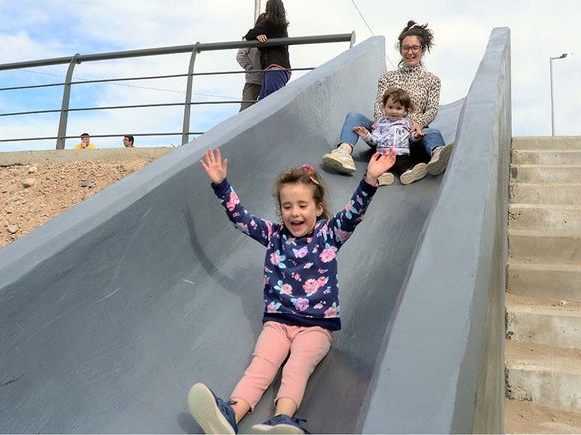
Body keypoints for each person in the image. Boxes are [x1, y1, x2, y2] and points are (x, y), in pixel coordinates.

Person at [188, 147, 396, 434]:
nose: (294, 213)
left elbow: (353, 213)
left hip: (316, 327)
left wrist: (370, 179)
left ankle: (282, 419)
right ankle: (230, 415)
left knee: (296, 367)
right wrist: (222, 186)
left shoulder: (329, 235)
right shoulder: (274, 236)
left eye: (302, 205)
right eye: (287, 206)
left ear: (318, 208)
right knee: (261, 364)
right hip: (278, 322)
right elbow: (241, 218)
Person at [322, 20, 452, 179]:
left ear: (423, 50)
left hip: (409, 138)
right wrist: (380, 122)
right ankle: (343, 152)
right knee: (354, 117)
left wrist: (417, 123)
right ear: (401, 50)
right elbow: (379, 102)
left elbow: (432, 109)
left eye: (415, 47)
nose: (410, 52)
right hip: (383, 136)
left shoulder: (432, 81)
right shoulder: (387, 78)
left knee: (432, 132)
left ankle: (437, 154)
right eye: (406, 48)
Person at [354, 87, 425, 185]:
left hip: (401, 155)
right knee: (376, 167)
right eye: (390, 107)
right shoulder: (380, 123)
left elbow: (409, 139)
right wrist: (365, 135)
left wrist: (416, 136)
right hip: (383, 155)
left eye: (398, 108)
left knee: (404, 167)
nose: (394, 111)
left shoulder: (407, 123)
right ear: (384, 107)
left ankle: (408, 174)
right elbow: (374, 141)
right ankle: (381, 177)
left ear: (405, 110)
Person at [243, 0, 290, 101]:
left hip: (274, 68)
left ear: (269, 10)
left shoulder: (269, 24)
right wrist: (260, 37)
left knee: (269, 104)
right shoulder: (282, 27)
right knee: (265, 104)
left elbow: (248, 36)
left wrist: (257, 35)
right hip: (282, 69)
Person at [236, 44, 262, 111]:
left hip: (268, 79)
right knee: (245, 110)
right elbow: (240, 56)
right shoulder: (250, 38)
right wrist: (250, 68)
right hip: (253, 81)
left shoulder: (269, 37)